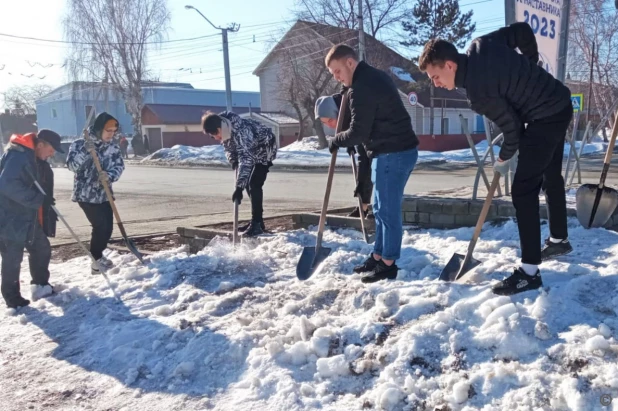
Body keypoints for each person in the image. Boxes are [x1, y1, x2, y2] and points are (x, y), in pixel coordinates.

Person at [418, 22, 573, 296]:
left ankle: (529, 273)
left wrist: (503, 157)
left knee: (523, 190)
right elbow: (523, 31)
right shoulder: (481, 45)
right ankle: (558, 239)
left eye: (435, 76)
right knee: (549, 174)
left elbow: (512, 129)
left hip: (545, 117)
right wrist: (531, 66)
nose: (436, 83)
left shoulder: (478, 93)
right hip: (559, 100)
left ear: (450, 65)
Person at [324, 44, 420, 283]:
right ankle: (378, 256)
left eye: (337, 71)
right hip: (388, 151)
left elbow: (358, 131)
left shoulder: (362, 87)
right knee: (379, 209)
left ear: (349, 63)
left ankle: (388, 264)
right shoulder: (369, 79)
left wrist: (337, 140)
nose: (336, 77)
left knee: (387, 210)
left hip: (393, 152)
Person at [0, 130, 63, 308]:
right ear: (40, 144)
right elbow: (6, 185)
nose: (52, 154)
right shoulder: (18, 156)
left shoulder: (33, 158)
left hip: (28, 216)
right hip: (10, 218)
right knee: (12, 257)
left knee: (41, 248)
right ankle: (12, 298)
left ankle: (40, 285)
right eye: (51, 150)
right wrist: (37, 199)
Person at [201, 111, 277, 237]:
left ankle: (257, 223)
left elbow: (246, 160)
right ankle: (257, 221)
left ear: (219, 128)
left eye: (214, 134)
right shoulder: (226, 128)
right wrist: (234, 161)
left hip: (264, 149)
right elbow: (229, 148)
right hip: (250, 151)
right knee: (248, 184)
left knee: (254, 183)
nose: (215, 138)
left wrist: (238, 188)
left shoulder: (242, 132)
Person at [67, 113, 125, 274]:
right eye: (108, 130)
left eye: (114, 131)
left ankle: (98, 256)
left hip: (104, 194)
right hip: (85, 194)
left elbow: (119, 166)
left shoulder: (112, 147)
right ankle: (96, 261)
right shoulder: (80, 144)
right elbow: (72, 166)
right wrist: (86, 151)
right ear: (99, 129)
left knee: (108, 228)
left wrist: (109, 175)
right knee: (100, 226)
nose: (111, 134)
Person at [315, 94, 374, 219]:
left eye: (330, 120)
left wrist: (345, 140)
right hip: (373, 147)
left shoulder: (353, 109)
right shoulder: (345, 113)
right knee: (365, 166)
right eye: (324, 123)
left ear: (337, 112)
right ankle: (363, 208)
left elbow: (366, 159)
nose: (329, 125)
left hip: (388, 148)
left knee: (372, 169)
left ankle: (374, 210)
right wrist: (350, 141)